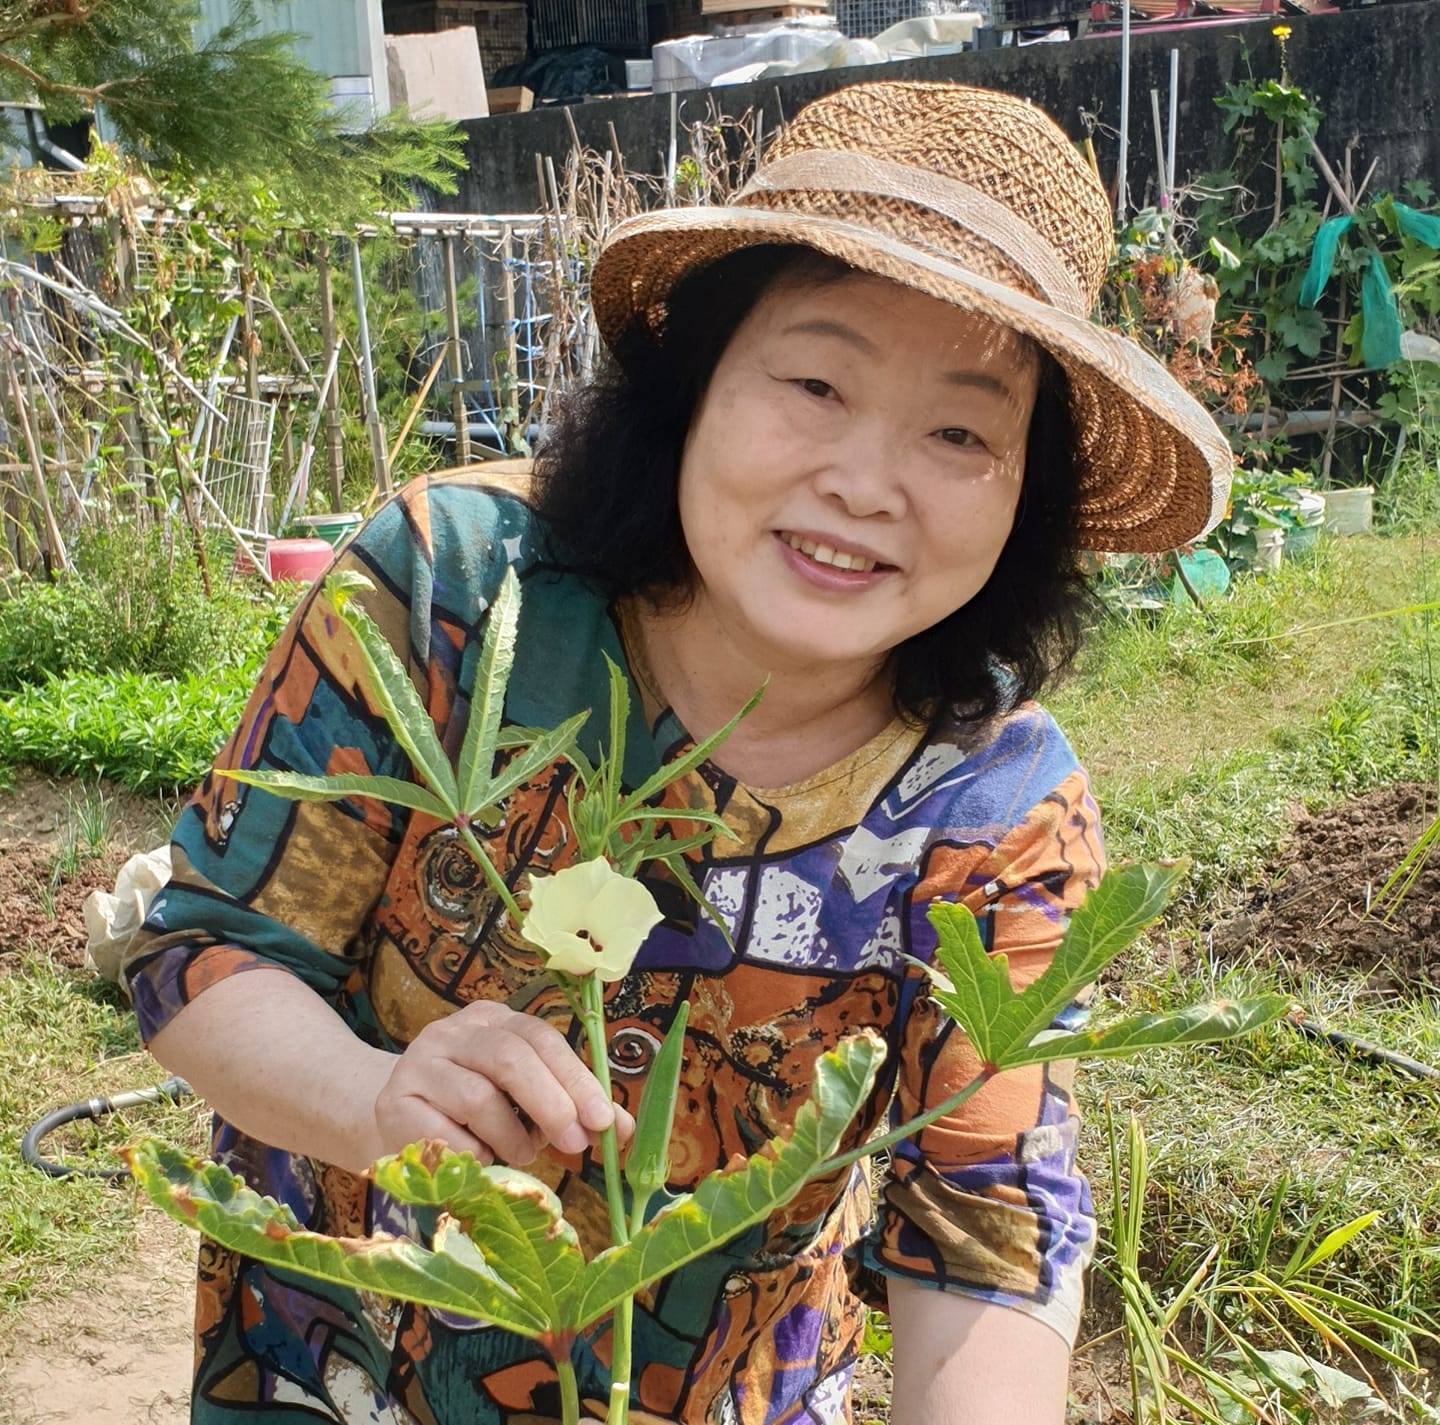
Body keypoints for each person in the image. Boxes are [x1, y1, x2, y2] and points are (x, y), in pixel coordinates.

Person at [126, 80, 1231, 1425]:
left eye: (959, 430)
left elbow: (988, 1244)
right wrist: (374, 1099)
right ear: (692, 383)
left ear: (1026, 497)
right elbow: (202, 949)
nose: (867, 481)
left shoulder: (997, 801)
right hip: (337, 1371)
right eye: (816, 382)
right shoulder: (453, 590)